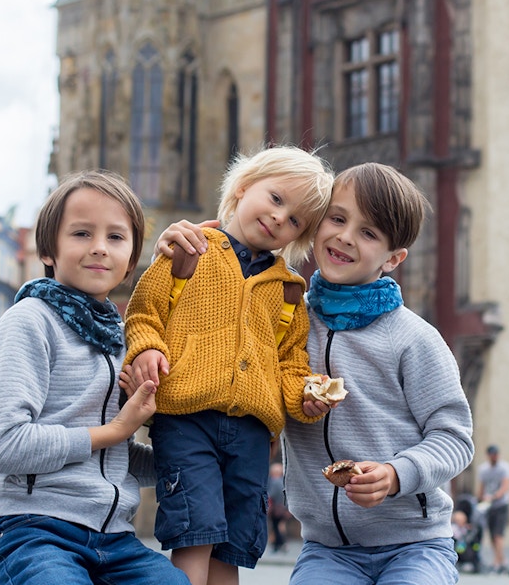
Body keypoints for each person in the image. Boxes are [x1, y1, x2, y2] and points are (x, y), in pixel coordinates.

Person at [156, 162, 475, 585]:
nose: (345, 237)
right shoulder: (282, 317)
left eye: (369, 233)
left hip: (415, 546)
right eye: (338, 219)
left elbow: (454, 438)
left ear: (394, 258)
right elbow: (210, 329)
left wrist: (398, 474)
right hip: (328, 551)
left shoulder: (414, 338)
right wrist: (185, 252)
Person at [124, 145, 334, 585]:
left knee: (233, 545)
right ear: (242, 187)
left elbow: (290, 363)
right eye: (276, 199)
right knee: (194, 530)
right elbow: (144, 314)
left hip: (252, 435)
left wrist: (305, 395)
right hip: (186, 419)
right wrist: (145, 349)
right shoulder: (188, 250)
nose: (280, 218)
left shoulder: (290, 292)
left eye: (295, 220)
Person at [0, 170, 190, 585]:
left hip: (114, 538)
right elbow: (1, 446)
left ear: (131, 260)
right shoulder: (29, 321)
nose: (98, 248)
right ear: (49, 249)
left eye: (115, 237)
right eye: (80, 233)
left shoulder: (120, 338)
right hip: (33, 531)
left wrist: (197, 455)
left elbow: (115, 459)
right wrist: (112, 432)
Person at [476, 443, 509, 574]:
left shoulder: (504, 468)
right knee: (492, 536)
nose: (494, 457)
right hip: (489, 505)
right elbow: (481, 487)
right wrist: (481, 498)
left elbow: (505, 486)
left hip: (501, 504)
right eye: (492, 455)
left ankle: (498, 562)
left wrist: (495, 496)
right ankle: (501, 561)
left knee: (498, 535)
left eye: (496, 454)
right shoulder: (484, 469)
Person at [267, 461, 291, 553]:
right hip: (284, 508)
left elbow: (271, 495)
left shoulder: (275, 482)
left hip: (277, 509)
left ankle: (280, 544)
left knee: (277, 526)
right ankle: (278, 544)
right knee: (280, 526)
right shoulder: (283, 481)